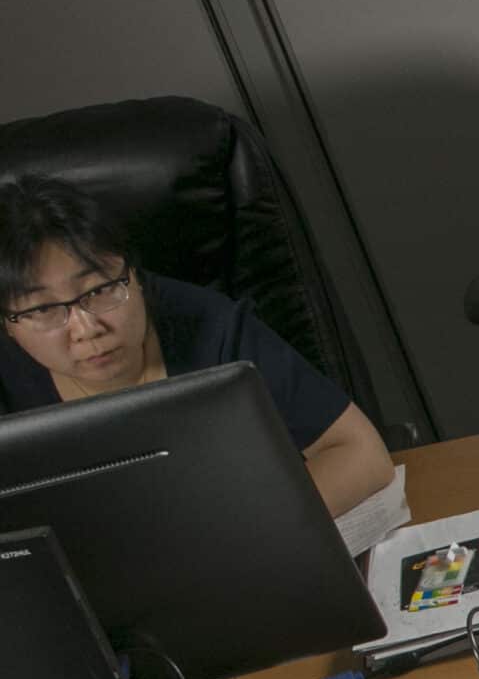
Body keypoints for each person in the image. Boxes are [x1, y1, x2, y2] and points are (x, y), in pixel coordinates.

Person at [0, 174, 394, 516]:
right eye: (44, 309)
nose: (86, 328)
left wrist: (231, 538)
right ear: (8, 325)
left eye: (100, 289)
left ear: (135, 275)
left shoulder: (210, 325)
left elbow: (362, 454)